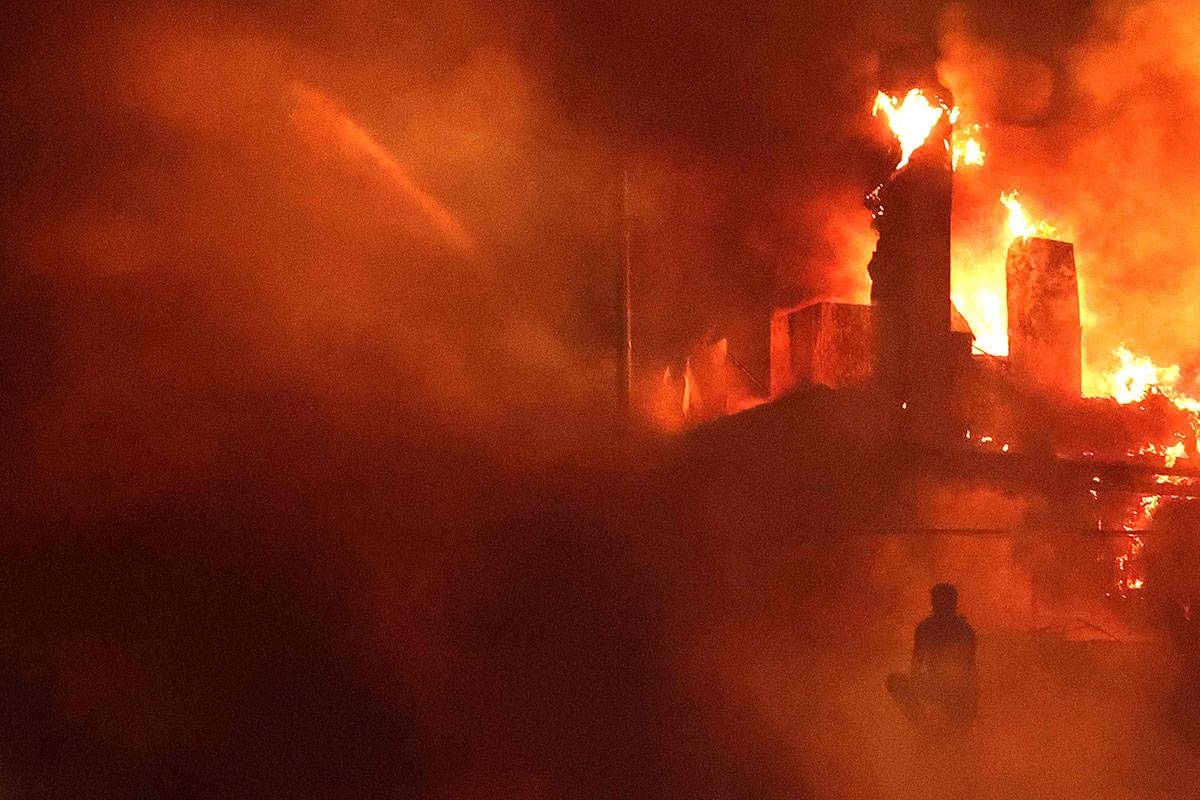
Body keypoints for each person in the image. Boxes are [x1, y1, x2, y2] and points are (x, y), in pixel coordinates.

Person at [887, 583, 977, 736]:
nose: (939, 606)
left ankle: (956, 729)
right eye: (936, 601)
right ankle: (923, 725)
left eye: (944, 602)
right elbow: (916, 663)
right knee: (894, 681)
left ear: (953, 603)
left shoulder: (964, 630)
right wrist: (918, 684)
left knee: (966, 693)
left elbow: (968, 667)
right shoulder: (925, 628)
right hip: (933, 681)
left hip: (957, 686)